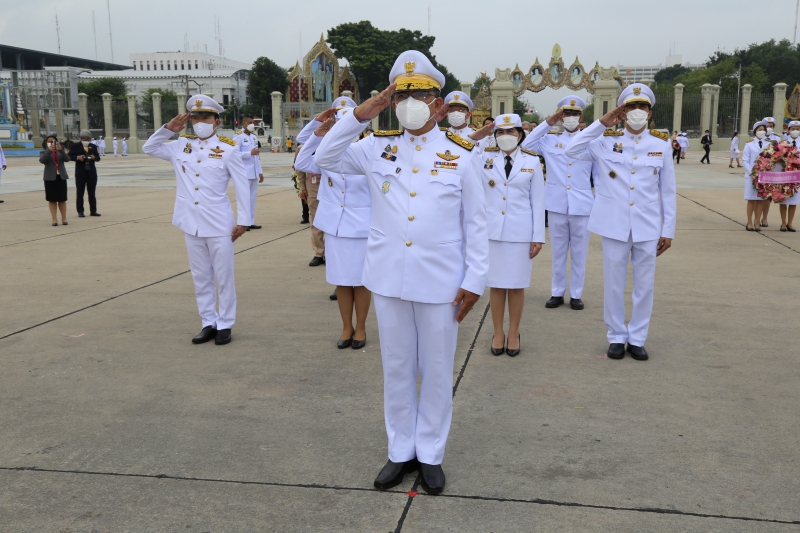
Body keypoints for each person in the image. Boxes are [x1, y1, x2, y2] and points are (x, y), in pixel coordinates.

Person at [314, 50, 488, 495]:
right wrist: (359, 114)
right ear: (391, 100)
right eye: (402, 94)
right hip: (389, 277)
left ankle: (430, 453)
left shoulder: (463, 153)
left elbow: (477, 223)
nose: (412, 103)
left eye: (422, 94)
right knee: (395, 367)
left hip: (442, 280)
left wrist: (474, 280)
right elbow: (324, 156)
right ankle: (400, 450)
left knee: (434, 367)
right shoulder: (374, 146)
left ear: (438, 102)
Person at [565, 83, 676, 361]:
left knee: (645, 285)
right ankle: (616, 336)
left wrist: (668, 229)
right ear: (622, 112)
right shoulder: (604, 141)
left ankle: (637, 337)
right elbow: (572, 150)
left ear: (650, 113)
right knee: (613, 283)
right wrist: (601, 123)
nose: (637, 111)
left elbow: (668, 191)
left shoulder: (661, 145)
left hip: (648, 225)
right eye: (631, 106)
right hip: (613, 223)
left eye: (643, 107)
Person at [143, 94, 251, 346]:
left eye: (205, 117)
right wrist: (168, 129)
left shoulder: (228, 149)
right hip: (190, 222)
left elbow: (243, 186)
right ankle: (208, 322)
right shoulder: (180, 145)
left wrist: (244, 220)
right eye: (195, 117)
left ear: (217, 121)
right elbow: (149, 148)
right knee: (200, 276)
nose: (200, 121)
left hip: (219, 223)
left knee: (223, 276)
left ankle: (225, 323)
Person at [295, 97, 372, 349]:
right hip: (336, 227)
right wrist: (316, 134)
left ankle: (360, 327)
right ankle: (346, 327)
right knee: (342, 280)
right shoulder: (324, 153)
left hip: (361, 227)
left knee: (360, 282)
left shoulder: (368, 149)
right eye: (337, 123)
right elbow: (301, 162)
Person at [481, 114, 545, 356]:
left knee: (517, 286)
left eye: (510, 132)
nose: (505, 136)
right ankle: (498, 332)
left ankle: (514, 332)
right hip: (492, 231)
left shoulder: (532, 161)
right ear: (494, 135)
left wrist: (537, 236)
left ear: (520, 134)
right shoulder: (484, 158)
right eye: (500, 132)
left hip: (520, 232)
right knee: (496, 286)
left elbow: (538, 201)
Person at [524, 96, 594, 312]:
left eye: (574, 114)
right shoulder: (550, 140)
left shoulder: (590, 141)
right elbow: (527, 144)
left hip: (582, 205)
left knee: (580, 253)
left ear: (581, 116)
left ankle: (576, 294)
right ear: (561, 116)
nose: (570, 118)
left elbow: (598, 177)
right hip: (556, 204)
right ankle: (556, 292)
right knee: (559, 252)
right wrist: (549, 122)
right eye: (566, 114)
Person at [233, 116, 264, 231]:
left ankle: (250, 222)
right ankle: (243, 222)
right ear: (244, 123)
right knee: (244, 199)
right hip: (244, 173)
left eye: (253, 122)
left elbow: (257, 157)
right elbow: (234, 154)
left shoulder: (254, 137)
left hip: (254, 172)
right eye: (250, 122)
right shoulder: (238, 137)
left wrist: (260, 172)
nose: (252, 124)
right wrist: (249, 153)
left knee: (252, 199)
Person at [69, 130, 102, 217]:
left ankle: (93, 210)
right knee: (80, 192)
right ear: (80, 138)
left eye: (88, 139)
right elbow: (69, 156)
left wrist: (94, 157)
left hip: (91, 172)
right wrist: (77, 157)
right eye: (84, 139)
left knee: (92, 192)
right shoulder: (75, 146)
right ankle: (80, 211)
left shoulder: (93, 146)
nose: (86, 141)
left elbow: (98, 157)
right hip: (80, 172)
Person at [39, 135, 70, 226]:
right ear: (46, 142)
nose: (52, 143)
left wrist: (61, 150)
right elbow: (42, 160)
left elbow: (67, 159)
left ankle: (64, 218)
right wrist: (49, 150)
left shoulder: (60, 152)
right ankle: (54, 219)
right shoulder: (44, 152)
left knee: (62, 199)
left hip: (61, 177)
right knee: (52, 199)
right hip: (50, 178)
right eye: (49, 141)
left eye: (53, 141)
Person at [742, 121, 768, 232]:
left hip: (764, 176)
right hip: (751, 176)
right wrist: (752, 173)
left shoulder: (769, 145)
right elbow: (745, 160)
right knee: (751, 199)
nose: (761, 131)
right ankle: (749, 222)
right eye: (759, 129)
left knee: (761, 200)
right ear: (755, 131)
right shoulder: (749, 144)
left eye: (763, 130)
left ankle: (757, 222)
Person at [760, 117, 782, 228]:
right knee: (758, 195)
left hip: (771, 170)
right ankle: (756, 218)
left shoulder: (777, 139)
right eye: (767, 125)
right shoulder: (759, 137)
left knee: (767, 195)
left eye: (771, 126)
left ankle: (764, 218)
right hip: (759, 170)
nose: (769, 128)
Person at [779, 120, 800, 232]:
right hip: (785, 175)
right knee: (783, 199)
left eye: (797, 129)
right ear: (788, 130)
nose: (795, 131)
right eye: (793, 129)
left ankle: (790, 223)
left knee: (794, 200)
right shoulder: (784, 143)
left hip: (797, 176)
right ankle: (783, 223)